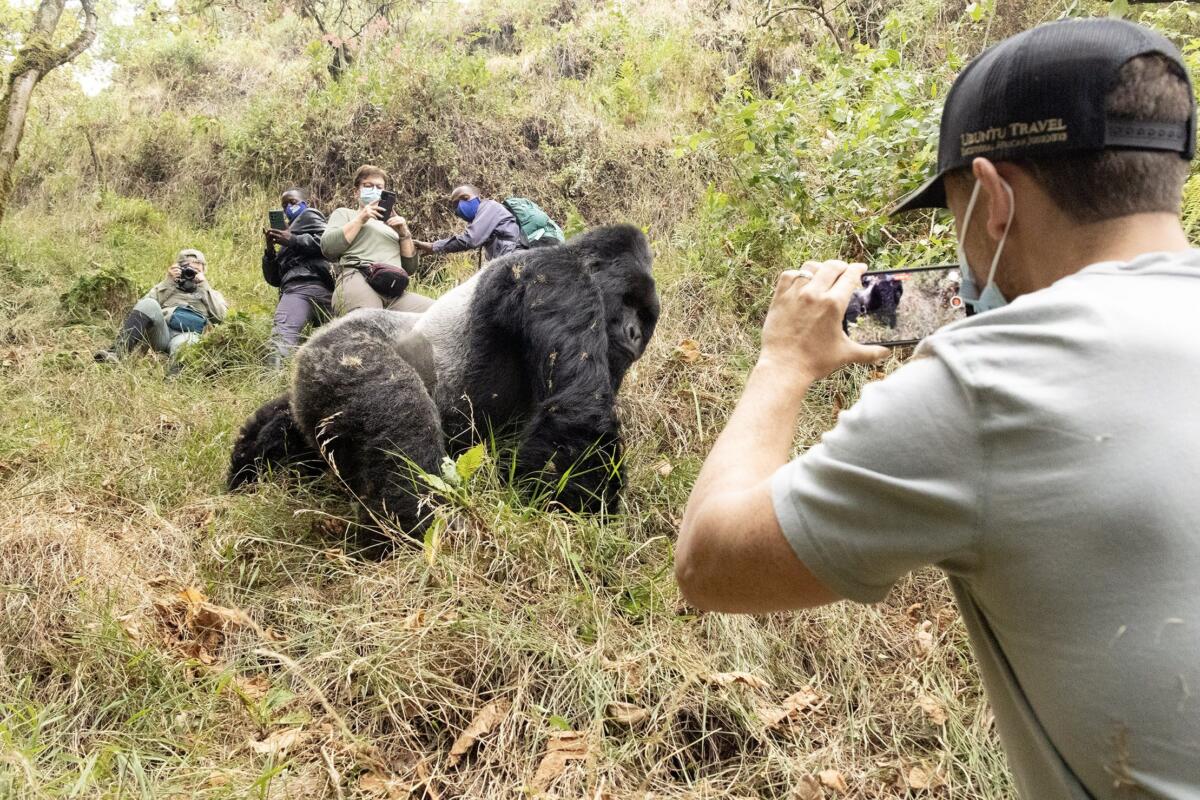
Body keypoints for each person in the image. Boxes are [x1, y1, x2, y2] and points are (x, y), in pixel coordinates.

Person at [675, 19, 1200, 800]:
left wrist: (781, 361)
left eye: (951, 214)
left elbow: (710, 564)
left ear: (992, 199)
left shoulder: (988, 385)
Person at [320, 164, 433, 315]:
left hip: (394, 289)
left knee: (438, 316)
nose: (374, 190)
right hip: (358, 278)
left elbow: (410, 268)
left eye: (379, 187)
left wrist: (404, 234)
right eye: (368, 186)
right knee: (368, 323)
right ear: (356, 192)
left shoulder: (392, 225)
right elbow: (328, 248)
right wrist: (361, 218)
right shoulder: (345, 214)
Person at [94, 248, 227, 370]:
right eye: (187, 269)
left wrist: (204, 286)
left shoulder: (212, 294)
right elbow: (143, 306)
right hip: (161, 333)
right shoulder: (167, 286)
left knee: (186, 344)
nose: (191, 273)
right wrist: (168, 282)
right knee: (149, 303)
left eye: (196, 270)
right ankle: (116, 354)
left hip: (187, 335)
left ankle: (173, 380)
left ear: (204, 271)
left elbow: (222, 317)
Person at [263, 187, 334, 368]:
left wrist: (292, 240)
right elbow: (274, 279)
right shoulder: (289, 232)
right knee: (333, 340)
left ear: (304, 203)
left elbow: (329, 244)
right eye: (284, 205)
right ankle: (274, 383)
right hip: (299, 288)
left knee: (283, 335)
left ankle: (273, 382)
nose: (288, 208)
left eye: (292, 202)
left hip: (313, 283)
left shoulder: (309, 215)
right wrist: (270, 251)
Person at [412, 184, 524, 263]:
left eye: (465, 198)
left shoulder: (490, 206)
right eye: (456, 204)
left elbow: (470, 240)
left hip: (515, 260)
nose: (461, 205)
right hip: (506, 261)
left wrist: (433, 247)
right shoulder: (482, 222)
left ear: (478, 198)